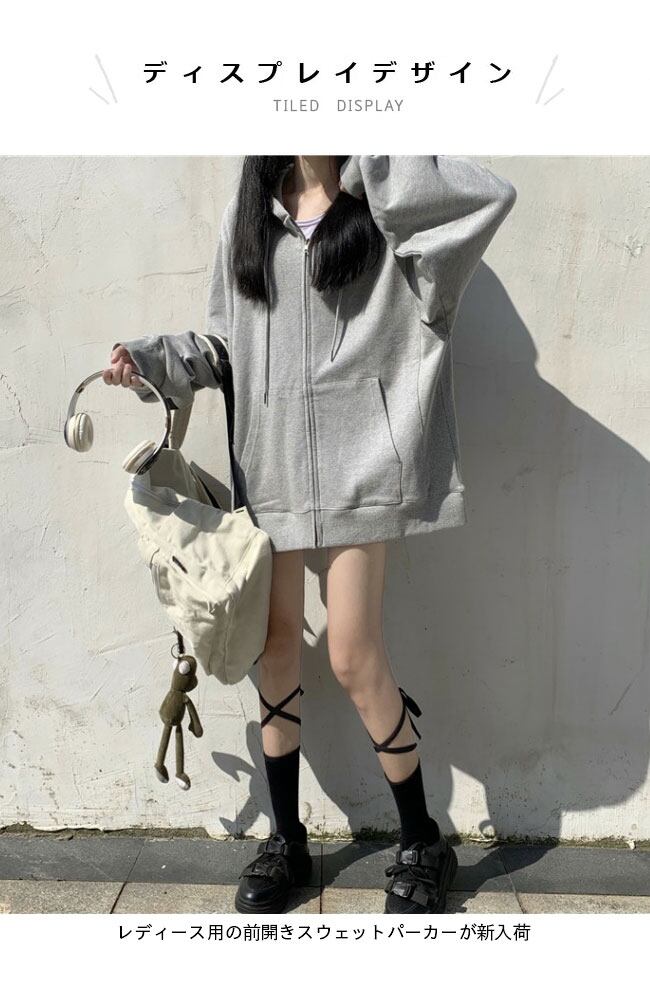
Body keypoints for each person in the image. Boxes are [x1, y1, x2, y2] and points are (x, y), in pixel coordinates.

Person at [105, 155, 517, 914]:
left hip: (364, 465)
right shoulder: (250, 215)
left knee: (354, 653)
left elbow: (486, 200)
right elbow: (225, 346)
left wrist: (375, 159)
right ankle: (286, 838)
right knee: (276, 649)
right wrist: (154, 360)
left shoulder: (384, 205)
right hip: (272, 467)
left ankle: (423, 837)